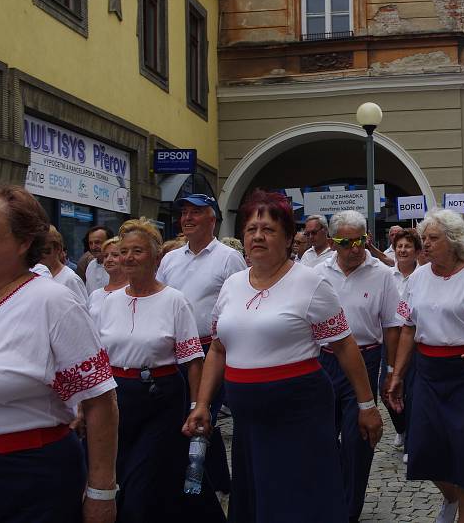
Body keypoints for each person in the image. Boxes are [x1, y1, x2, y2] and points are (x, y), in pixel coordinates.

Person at [183, 190, 382, 522]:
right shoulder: (232, 285)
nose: (258, 236)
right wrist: (202, 403)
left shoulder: (310, 284)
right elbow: (218, 348)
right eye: (251, 229)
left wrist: (366, 406)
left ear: (289, 237)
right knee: (257, 498)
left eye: (269, 229)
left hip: (299, 413)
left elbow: (345, 346)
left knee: (295, 501)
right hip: (249, 421)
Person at [0, 184, 118, 523]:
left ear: (23, 241)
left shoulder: (51, 301)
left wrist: (101, 493)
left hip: (27, 477)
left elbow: (99, 401)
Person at [388, 209, 464, 523]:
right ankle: (450, 497)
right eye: (423, 238)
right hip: (428, 371)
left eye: (432, 238)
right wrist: (397, 373)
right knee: (422, 447)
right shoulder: (418, 277)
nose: (424, 244)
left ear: (453, 241)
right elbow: (407, 328)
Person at [99, 218, 223, 522]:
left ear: (156, 258)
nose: (128, 257)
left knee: (144, 482)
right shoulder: (109, 301)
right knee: (121, 477)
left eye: (137, 251)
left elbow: (193, 360)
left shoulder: (174, 301)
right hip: (118, 399)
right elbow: (99, 356)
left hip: (160, 398)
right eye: (124, 251)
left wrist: (197, 407)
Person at [156, 193, 247, 495]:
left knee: (201, 410)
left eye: (196, 212)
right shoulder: (169, 259)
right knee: (188, 414)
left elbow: (240, 303)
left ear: (212, 219)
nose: (187, 218)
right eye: (184, 213)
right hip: (175, 352)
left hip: (211, 350)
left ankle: (202, 484)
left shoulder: (227, 257)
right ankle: (215, 480)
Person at [313, 210, 400, 522]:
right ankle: (330, 494)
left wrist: (391, 371)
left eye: (360, 240)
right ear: (333, 243)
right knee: (321, 436)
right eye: (345, 242)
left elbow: (392, 327)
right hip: (323, 359)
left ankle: (349, 510)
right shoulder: (317, 271)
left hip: (365, 357)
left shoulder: (383, 274)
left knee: (358, 438)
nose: (354, 247)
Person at [383, 228, 422, 457]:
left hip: (413, 339)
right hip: (389, 339)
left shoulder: (423, 275)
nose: (403, 250)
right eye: (399, 246)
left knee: (412, 390)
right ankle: (401, 427)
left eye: (408, 246)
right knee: (385, 387)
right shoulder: (386, 275)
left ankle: (412, 441)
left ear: (417, 251)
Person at [40, 225, 88, 304]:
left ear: (58, 249)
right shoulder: (39, 273)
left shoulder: (70, 279)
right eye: (36, 250)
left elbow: (82, 311)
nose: (39, 255)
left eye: (45, 250)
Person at [88, 237, 128, 327]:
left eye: (115, 255)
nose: (109, 259)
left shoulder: (133, 293)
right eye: (105, 256)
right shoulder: (95, 295)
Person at [84, 225, 115, 294]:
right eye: (90, 243)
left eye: (97, 242)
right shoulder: (90, 266)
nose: (93, 247)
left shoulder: (118, 266)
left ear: (109, 242)